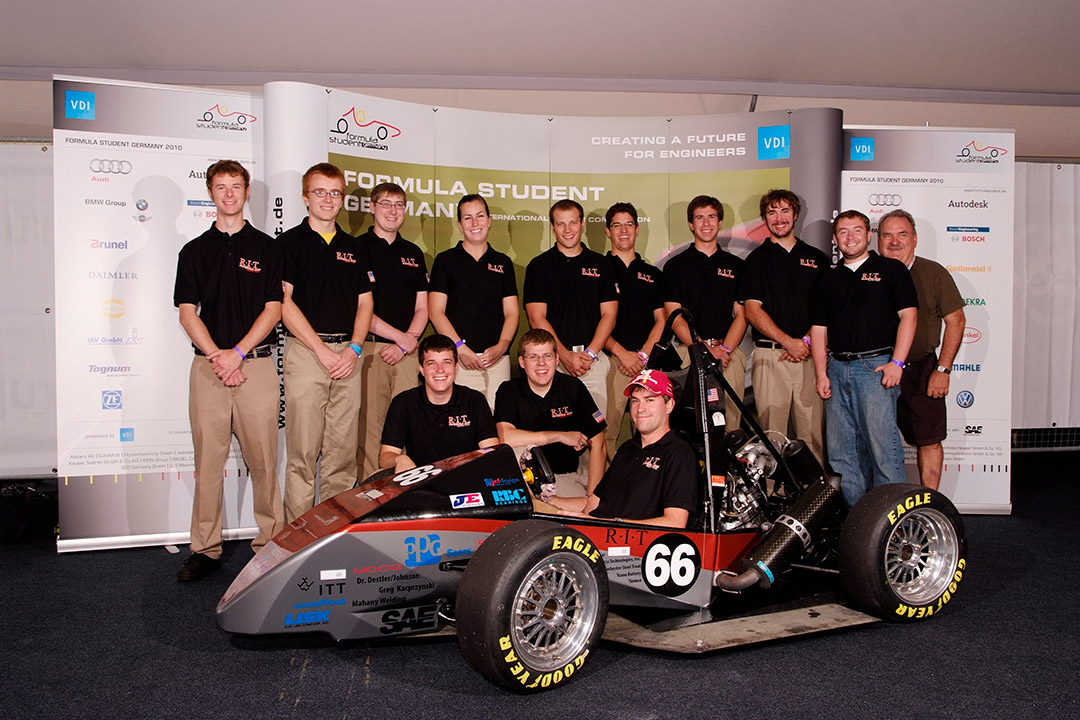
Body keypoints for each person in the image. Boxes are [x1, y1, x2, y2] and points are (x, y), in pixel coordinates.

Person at [172, 159, 284, 581]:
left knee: (264, 464)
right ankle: (205, 548)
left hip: (254, 368)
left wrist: (237, 353)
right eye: (221, 187)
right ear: (211, 192)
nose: (229, 194)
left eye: (235, 186)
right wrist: (221, 356)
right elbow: (187, 313)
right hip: (208, 371)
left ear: (247, 191)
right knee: (208, 464)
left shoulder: (267, 249)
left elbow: (273, 309)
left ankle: (270, 545)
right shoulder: (194, 251)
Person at [279, 163, 374, 523]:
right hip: (307, 354)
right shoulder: (288, 243)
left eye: (335, 193)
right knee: (303, 454)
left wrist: (354, 348)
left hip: (349, 356)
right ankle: (297, 538)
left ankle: (334, 534)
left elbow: (365, 303)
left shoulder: (355, 247)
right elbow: (283, 303)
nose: (328, 199)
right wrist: (321, 351)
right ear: (306, 198)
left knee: (342, 454)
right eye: (320, 192)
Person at [809, 210, 919, 507]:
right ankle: (856, 524)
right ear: (835, 240)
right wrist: (822, 373)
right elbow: (818, 331)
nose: (850, 237)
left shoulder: (892, 271)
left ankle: (890, 520)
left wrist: (897, 362)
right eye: (843, 232)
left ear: (868, 235)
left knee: (884, 451)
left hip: (875, 369)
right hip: (836, 368)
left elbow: (909, 316)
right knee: (842, 454)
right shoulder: (828, 281)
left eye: (857, 230)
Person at [877, 209, 966, 490]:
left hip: (921, 370)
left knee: (929, 440)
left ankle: (929, 503)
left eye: (901, 234)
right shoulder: (867, 273)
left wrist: (943, 370)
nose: (894, 241)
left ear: (914, 239)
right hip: (875, 370)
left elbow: (957, 321)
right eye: (887, 235)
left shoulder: (933, 273)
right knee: (873, 441)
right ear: (878, 240)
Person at [543, 369, 697, 528]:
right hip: (598, 532)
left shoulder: (679, 453)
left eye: (649, 400)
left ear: (669, 405)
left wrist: (604, 524)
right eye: (635, 401)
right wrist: (547, 502)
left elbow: (675, 522)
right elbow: (592, 505)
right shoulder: (627, 449)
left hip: (627, 544)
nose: (640, 408)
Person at [739, 189, 828, 461]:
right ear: (765, 219)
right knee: (770, 438)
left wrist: (806, 344)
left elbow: (826, 312)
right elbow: (752, 311)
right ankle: (771, 501)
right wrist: (789, 342)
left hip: (810, 357)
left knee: (811, 438)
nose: (779, 218)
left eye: (785, 211)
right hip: (770, 357)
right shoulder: (755, 261)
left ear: (795, 214)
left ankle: (815, 500)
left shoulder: (818, 259)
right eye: (772, 213)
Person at [356, 182, 429, 479]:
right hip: (371, 349)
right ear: (372, 207)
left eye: (399, 204)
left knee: (408, 426)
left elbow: (423, 308)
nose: (392, 210)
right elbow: (359, 309)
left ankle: (405, 493)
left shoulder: (413, 253)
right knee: (371, 429)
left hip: (407, 352)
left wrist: (405, 342)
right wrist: (398, 338)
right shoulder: (356, 248)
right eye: (386, 203)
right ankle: (370, 494)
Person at [524, 199, 618, 416]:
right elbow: (536, 318)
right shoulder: (539, 266)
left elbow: (609, 315)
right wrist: (563, 355)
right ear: (552, 226)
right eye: (561, 224)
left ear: (582, 224)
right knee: (555, 434)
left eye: (573, 223)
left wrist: (590, 354)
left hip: (592, 363)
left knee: (595, 435)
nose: (568, 230)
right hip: (552, 363)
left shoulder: (601, 265)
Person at [662, 195, 748, 431]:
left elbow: (742, 315)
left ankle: (729, 470)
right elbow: (674, 316)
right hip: (688, 353)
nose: (706, 223)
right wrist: (704, 349)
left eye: (712, 217)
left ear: (720, 222)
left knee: (730, 425)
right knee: (690, 424)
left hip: (728, 355)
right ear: (691, 224)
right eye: (699, 218)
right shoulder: (675, 266)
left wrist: (725, 350)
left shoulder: (736, 266)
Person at [428, 194, 518, 409]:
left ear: (489, 219)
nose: (475, 223)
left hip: (497, 359)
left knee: (500, 423)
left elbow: (512, 313)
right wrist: (460, 349)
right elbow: (435, 311)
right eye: (468, 218)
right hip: (459, 360)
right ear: (459, 225)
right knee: (463, 423)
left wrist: (502, 346)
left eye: (480, 216)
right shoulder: (445, 261)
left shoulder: (503, 263)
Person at [494, 329, 607, 497]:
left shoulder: (572, 387)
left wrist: (593, 497)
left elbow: (599, 443)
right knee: (519, 452)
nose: (541, 363)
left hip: (564, 478)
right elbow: (506, 438)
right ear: (522, 362)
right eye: (533, 357)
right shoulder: (509, 390)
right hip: (523, 481)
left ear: (556, 360)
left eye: (547, 356)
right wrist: (559, 436)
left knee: (580, 509)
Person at [379, 334, 499, 473]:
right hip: (421, 484)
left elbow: (491, 454)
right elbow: (385, 457)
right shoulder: (404, 403)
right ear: (421, 369)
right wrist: (400, 459)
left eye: (446, 362)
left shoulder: (475, 401)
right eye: (431, 363)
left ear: (456, 367)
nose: (440, 370)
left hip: (467, 479)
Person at [602, 202, 665, 459]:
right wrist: (621, 353)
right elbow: (593, 320)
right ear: (608, 231)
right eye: (617, 225)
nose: (623, 230)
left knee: (648, 429)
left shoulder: (652, 274)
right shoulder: (598, 269)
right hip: (610, 361)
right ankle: (606, 489)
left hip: (645, 364)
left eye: (629, 224)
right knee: (607, 430)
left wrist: (642, 356)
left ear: (637, 229)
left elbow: (662, 320)